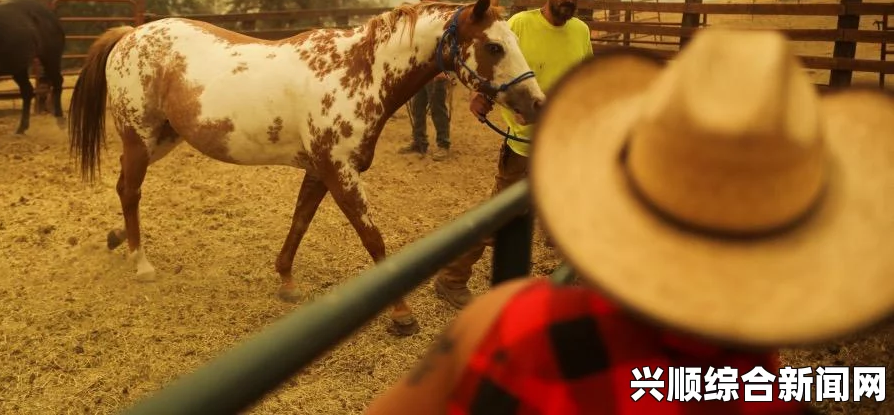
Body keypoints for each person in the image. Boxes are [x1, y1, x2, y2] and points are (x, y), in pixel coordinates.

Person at [365, 28, 894, 414]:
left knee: (501, 216)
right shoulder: (771, 399)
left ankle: (452, 276)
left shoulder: (509, 327)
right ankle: (453, 275)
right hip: (523, 138)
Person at [433, 0, 603, 309]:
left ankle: (579, 278)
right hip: (525, 144)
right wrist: (481, 97)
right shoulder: (520, 25)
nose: (570, 0)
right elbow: (497, 64)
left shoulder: (581, 31)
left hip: (567, 142)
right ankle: (451, 278)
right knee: (502, 217)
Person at [399, 0, 453, 161]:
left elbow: (446, 45)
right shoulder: (422, 15)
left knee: (437, 108)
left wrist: (442, 69)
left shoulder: (443, 16)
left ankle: (443, 144)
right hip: (420, 68)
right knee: (418, 107)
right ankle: (419, 141)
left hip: (435, 69)